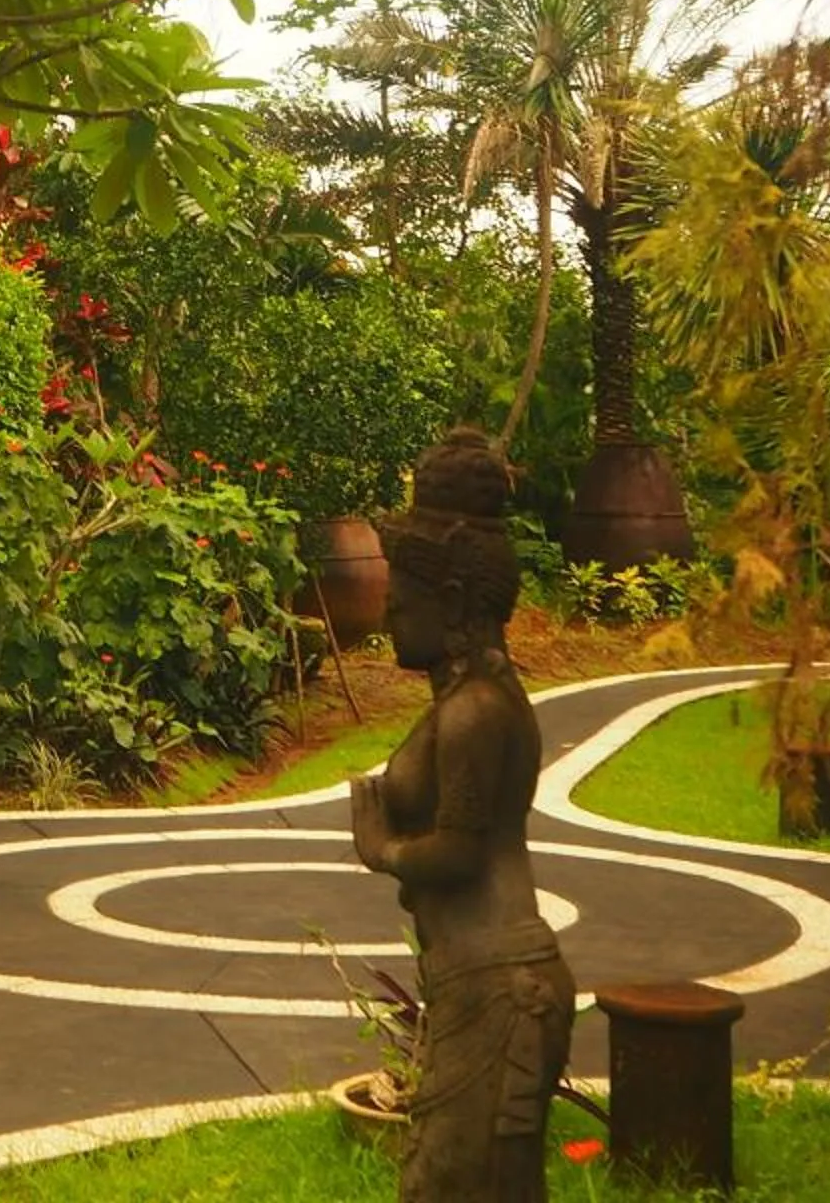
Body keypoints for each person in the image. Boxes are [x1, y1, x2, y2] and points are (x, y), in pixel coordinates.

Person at [347, 427, 576, 1202]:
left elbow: (461, 854)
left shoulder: (478, 710)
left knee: (449, 1187)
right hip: (477, 981)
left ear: (448, 600)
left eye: (399, 595)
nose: (385, 610)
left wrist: (382, 848)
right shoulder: (474, 700)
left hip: (500, 985)